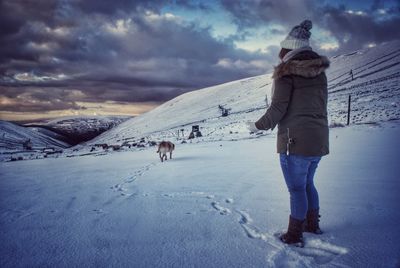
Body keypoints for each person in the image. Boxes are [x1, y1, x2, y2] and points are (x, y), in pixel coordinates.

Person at [247, 20, 330, 245]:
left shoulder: (286, 73)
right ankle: (312, 224)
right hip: (319, 140)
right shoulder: (319, 73)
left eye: (282, 49)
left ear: (291, 49)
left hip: (295, 141)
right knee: (308, 184)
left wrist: (257, 125)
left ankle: (294, 235)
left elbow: (277, 108)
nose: (278, 54)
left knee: (296, 189)